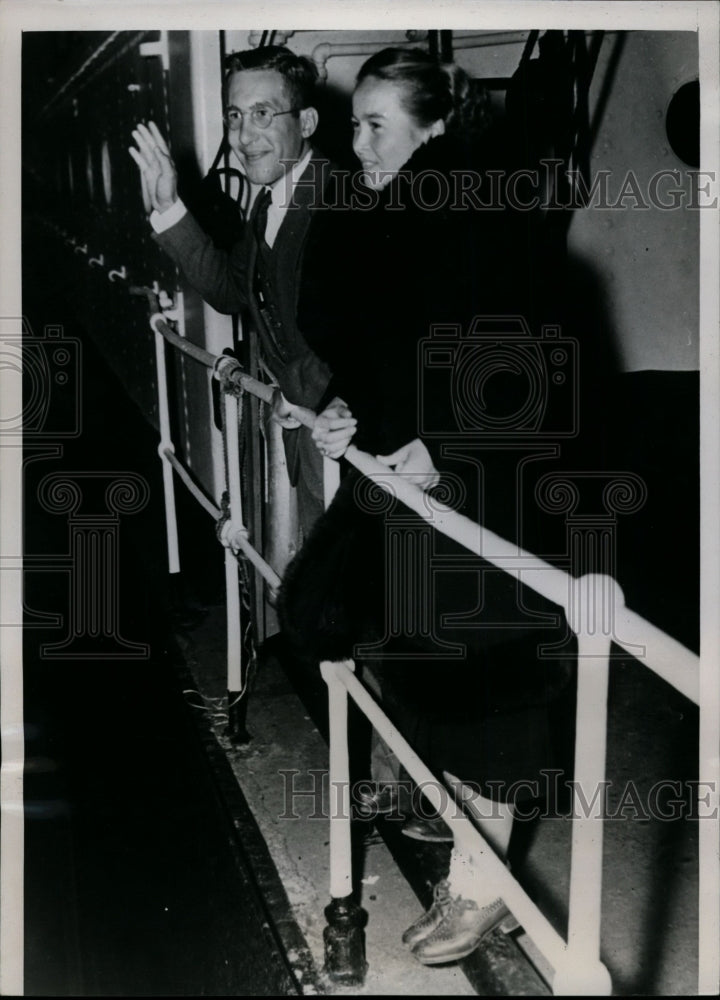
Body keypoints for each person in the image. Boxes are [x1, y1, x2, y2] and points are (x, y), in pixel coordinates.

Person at [279, 47, 573, 966]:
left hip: (486, 490)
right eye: (356, 123)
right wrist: (346, 416)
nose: (358, 142)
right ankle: (471, 862)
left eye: (375, 125)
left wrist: (442, 445)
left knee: (486, 694)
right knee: (395, 655)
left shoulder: (479, 210)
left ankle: (484, 890)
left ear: (435, 124)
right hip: (410, 488)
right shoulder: (388, 213)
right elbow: (383, 353)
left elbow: (527, 362)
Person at [129, 45, 334, 534]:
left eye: (263, 114)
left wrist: (304, 400)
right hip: (299, 426)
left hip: (333, 433)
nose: (244, 136)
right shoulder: (269, 203)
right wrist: (169, 205)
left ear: (306, 122)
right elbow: (229, 291)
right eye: (235, 116)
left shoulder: (339, 201)